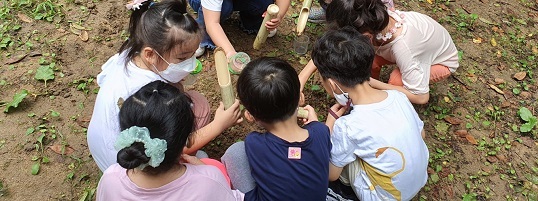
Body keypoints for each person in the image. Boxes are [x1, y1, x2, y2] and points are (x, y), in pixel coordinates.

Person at [87, 0, 242, 172]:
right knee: (199, 108)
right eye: (183, 58)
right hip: (132, 167)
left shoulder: (131, 53)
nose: (191, 63)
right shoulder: (144, 92)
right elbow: (165, 144)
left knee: (194, 102)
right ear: (150, 54)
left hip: (104, 148)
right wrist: (218, 125)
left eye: (193, 54)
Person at [312, 27, 429, 201]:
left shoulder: (348, 127)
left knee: (339, 161)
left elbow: (330, 174)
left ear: (333, 84)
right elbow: (422, 134)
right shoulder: (399, 97)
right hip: (417, 181)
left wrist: (324, 130)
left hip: (385, 197)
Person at [95, 81, 245, 200]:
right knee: (233, 154)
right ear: (187, 140)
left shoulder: (110, 178)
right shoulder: (208, 181)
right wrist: (204, 171)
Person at [325, 0, 459, 104]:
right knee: (370, 61)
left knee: (395, 80)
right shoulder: (375, 17)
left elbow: (421, 97)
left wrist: (375, 84)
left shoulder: (404, 48)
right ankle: (369, 93)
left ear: (366, 35)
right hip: (414, 48)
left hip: (441, 61)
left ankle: (384, 98)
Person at [220, 57, 331, 201]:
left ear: (251, 116)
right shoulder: (321, 132)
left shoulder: (255, 143)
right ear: (299, 98)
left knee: (236, 152)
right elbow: (298, 152)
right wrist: (315, 126)